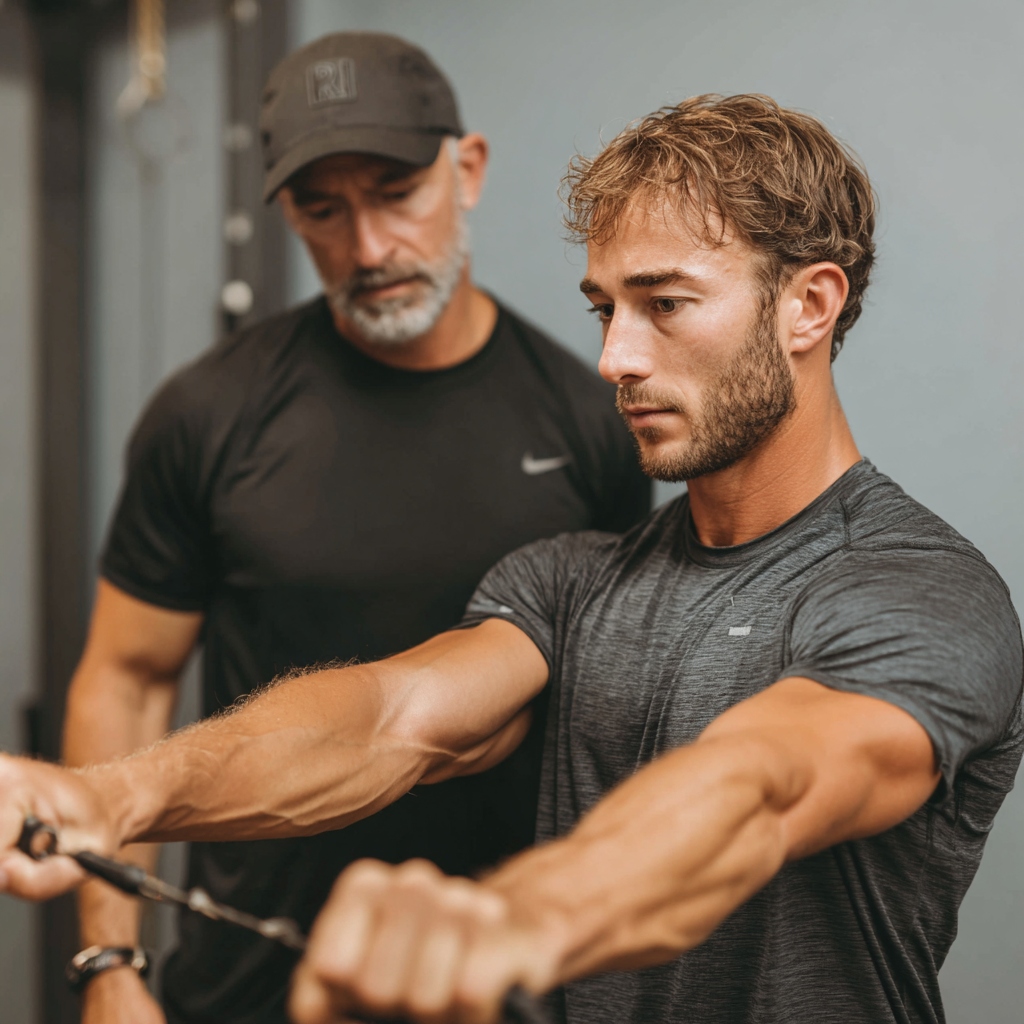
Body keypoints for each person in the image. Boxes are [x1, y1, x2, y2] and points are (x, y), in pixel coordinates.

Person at [2, 93, 1020, 1024]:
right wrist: (117, 796)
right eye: (605, 309)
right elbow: (385, 719)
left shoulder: (921, 590)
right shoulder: (570, 580)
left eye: (665, 304)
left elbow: (764, 784)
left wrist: (514, 919)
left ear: (810, 305)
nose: (616, 358)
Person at [58, 31, 649, 1024]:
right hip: (247, 983)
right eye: (322, 209)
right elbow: (127, 680)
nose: (368, 248)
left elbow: (607, 717)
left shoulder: (594, 422)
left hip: (493, 980)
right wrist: (109, 961)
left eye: (395, 192)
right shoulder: (207, 414)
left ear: (467, 170)